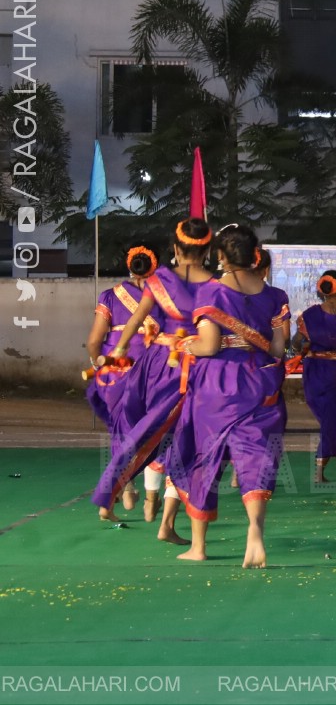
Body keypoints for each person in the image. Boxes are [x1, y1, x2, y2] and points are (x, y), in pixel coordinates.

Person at [167, 225, 289, 566]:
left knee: (205, 460)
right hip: (261, 383)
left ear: (220, 256)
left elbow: (209, 345)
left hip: (218, 386)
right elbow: (279, 349)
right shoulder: (276, 296)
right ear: (254, 255)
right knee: (255, 456)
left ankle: (198, 547)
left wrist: (183, 344)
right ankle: (255, 533)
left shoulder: (210, 293)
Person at [99, 219, 219, 540]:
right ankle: (162, 518)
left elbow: (137, 319)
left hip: (158, 366)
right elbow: (217, 339)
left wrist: (118, 352)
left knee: (154, 432)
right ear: (207, 251)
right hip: (197, 368)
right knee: (186, 446)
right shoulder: (216, 286)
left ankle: (121, 492)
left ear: (176, 249)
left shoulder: (159, 280)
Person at [84, 245, 158, 519]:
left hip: (114, 371)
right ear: (155, 268)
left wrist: (98, 365)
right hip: (152, 370)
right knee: (153, 430)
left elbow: (94, 342)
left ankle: (124, 488)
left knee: (120, 429)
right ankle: (152, 499)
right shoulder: (161, 297)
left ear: (129, 267)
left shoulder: (109, 296)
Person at [294, 271, 336, 483]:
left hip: (314, 372)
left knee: (330, 420)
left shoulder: (308, 316)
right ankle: (326, 465)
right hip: (334, 372)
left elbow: (295, 343)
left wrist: (306, 346)